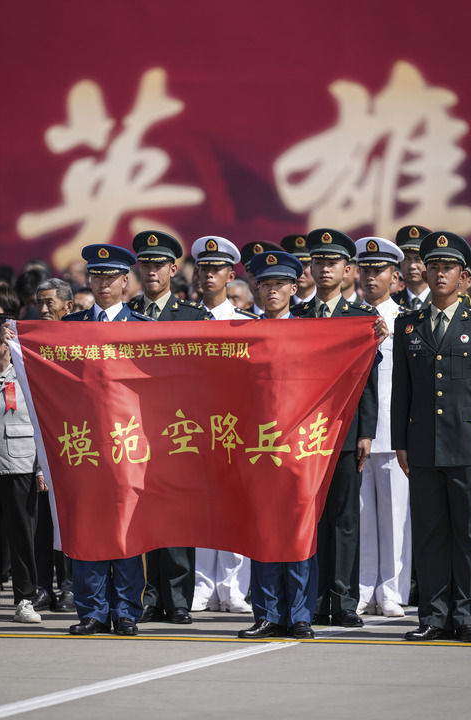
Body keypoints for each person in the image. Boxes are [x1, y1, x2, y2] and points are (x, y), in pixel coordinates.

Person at [391, 231, 471, 643]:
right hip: (424, 445)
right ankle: (433, 615)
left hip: (470, 445)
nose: (440, 273)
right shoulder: (408, 324)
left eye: (448, 267)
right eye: (434, 267)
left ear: (464, 277)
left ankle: (469, 615)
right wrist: (401, 442)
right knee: (430, 534)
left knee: (470, 536)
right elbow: (402, 390)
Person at [63, 244, 151, 636]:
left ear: (125, 281)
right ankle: (92, 610)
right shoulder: (70, 327)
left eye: (111, 277)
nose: (103, 284)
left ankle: (127, 609)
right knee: (89, 525)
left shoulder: (143, 328)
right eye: (96, 276)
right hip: (85, 441)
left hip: (130, 441)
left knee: (128, 526)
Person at [294, 228, 379, 628]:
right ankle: (313, 598)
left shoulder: (361, 318)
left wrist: (366, 432)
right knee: (309, 518)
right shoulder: (297, 317)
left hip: (344, 432)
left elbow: (368, 381)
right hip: (303, 435)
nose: (325, 268)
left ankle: (343, 600)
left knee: (344, 520)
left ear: (348, 270)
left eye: (333, 262)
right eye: (319, 262)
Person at [128, 230, 207, 626]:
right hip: (135, 428)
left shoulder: (192, 316)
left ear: (173, 269)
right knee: (142, 517)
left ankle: (177, 599)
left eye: (159, 264)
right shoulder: (126, 315)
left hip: (180, 430)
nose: (152, 271)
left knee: (177, 516)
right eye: (145, 264)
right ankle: (149, 595)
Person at [238, 250, 316, 639]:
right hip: (256, 446)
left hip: (299, 444)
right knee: (264, 528)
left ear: (293, 288)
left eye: (280, 285)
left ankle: (300, 614)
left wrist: (374, 337)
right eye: (265, 284)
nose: (272, 291)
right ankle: (268, 612)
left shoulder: (310, 332)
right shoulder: (242, 332)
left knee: (298, 528)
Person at [190, 235, 256, 614]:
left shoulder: (246, 323)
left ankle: (232, 587)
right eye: (204, 269)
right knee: (200, 506)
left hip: (234, 425)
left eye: (216, 269)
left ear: (231, 275)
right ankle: (202, 585)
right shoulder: (184, 319)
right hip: (194, 423)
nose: (209, 275)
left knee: (234, 505)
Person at [355, 237, 411, 617]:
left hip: (393, 431)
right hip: (358, 430)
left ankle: (391, 590)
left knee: (394, 517)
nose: (372, 277)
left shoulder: (405, 320)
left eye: (380, 270)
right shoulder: (350, 317)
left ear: (395, 276)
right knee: (361, 516)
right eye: (367, 269)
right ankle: (362, 588)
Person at [0, 315, 43, 623]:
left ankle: (25, 599)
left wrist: (41, 469)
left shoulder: (27, 373)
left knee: (22, 537)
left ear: (5, 344)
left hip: (20, 463)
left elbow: (42, 424)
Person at [32, 279, 75, 613]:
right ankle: (42, 587)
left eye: (50, 303)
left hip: (75, 443)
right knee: (42, 524)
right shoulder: (30, 343)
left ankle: (70, 587)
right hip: (39, 442)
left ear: (68, 307)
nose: (44, 309)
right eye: (40, 303)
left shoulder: (79, 343)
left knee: (71, 521)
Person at [392, 225, 431, 309]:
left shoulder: (441, 301)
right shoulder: (392, 303)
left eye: (418, 259)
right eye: (406, 258)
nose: (412, 266)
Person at [240, 241, 283, 315]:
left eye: (265, 275)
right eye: (253, 275)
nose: (258, 281)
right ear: (247, 278)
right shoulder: (239, 318)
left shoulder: (296, 317)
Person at [280, 235, 316, 307]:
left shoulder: (326, 303)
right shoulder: (279, 305)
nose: (300, 271)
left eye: (306, 264)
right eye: (295, 265)